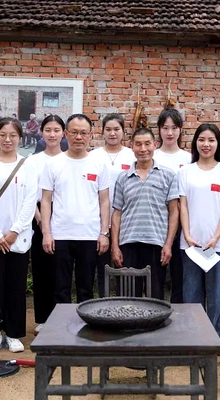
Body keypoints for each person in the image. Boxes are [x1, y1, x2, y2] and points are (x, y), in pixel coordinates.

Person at [0, 118, 37, 353]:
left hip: (18, 239)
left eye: (12, 135)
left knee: (16, 287)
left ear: (20, 138)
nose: (7, 139)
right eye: (3, 135)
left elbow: (29, 202)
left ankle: (13, 334)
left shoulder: (28, 166)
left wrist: (14, 232)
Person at [178, 123, 220, 339]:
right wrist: (187, 235)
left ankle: (216, 336)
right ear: (195, 142)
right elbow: (183, 206)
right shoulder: (185, 171)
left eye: (211, 140)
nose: (206, 144)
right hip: (191, 245)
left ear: (218, 143)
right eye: (202, 139)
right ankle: (193, 336)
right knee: (191, 292)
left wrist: (215, 237)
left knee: (218, 293)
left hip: (219, 245)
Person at [40, 114, 110, 304]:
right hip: (60, 235)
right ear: (66, 134)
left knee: (85, 289)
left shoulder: (99, 164)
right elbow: (46, 200)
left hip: (89, 235)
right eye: (74, 132)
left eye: (83, 133)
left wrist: (104, 233)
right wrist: (47, 233)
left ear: (91, 135)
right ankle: (62, 323)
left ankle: (85, 323)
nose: (79, 137)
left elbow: (104, 201)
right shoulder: (53, 164)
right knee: (60, 289)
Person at [111, 127, 179, 299]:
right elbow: (117, 213)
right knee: (128, 296)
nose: (143, 149)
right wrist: (115, 246)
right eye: (138, 144)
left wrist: (168, 245)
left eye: (147, 144)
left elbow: (173, 212)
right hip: (128, 243)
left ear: (155, 145)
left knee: (154, 296)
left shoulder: (168, 175)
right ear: (131, 146)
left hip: (156, 243)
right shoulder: (123, 178)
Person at [24, 115, 65, 334]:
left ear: (63, 133)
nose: (52, 134)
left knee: (61, 270)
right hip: (39, 215)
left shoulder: (68, 158)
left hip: (63, 216)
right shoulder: (33, 161)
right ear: (41, 133)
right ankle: (42, 318)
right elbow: (29, 193)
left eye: (56, 130)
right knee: (41, 269)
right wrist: (40, 219)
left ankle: (61, 317)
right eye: (48, 130)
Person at [87, 113, 136, 297]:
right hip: (100, 221)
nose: (112, 133)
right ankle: (104, 303)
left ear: (123, 131)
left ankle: (126, 305)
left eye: (116, 129)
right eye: (108, 129)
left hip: (126, 220)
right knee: (103, 268)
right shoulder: (93, 156)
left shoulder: (131, 155)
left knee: (125, 267)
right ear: (102, 132)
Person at [154, 108, 191, 303]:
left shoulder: (188, 159)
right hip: (158, 221)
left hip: (183, 222)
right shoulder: (153, 156)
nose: (169, 132)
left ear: (180, 130)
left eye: (174, 128)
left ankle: (178, 310)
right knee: (156, 272)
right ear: (159, 130)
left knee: (180, 271)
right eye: (165, 128)